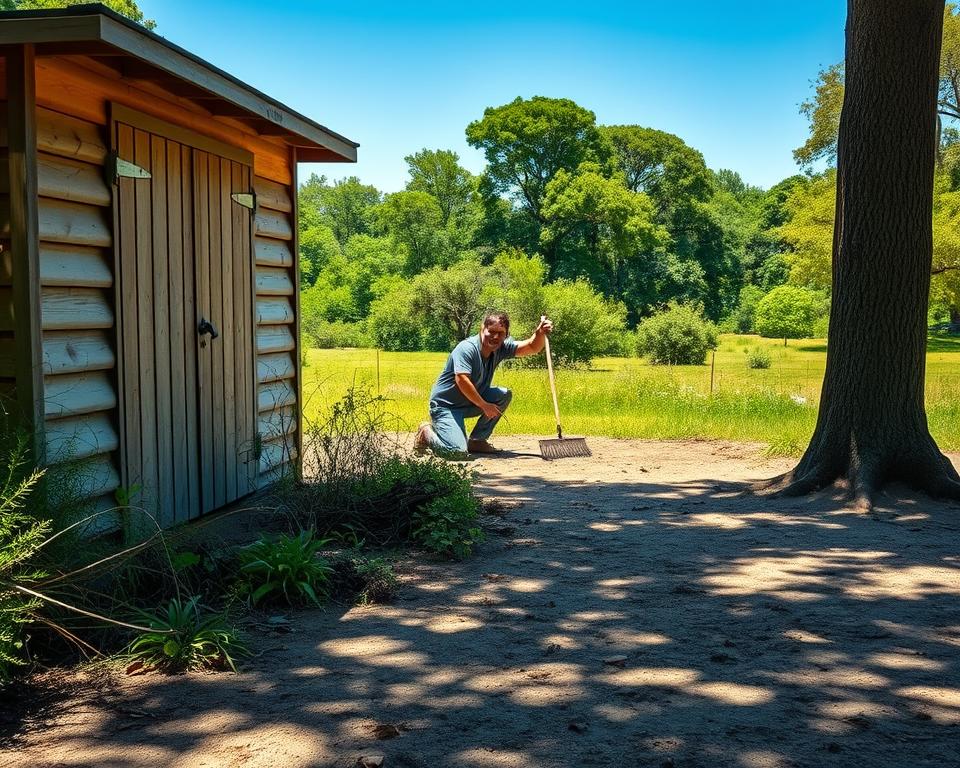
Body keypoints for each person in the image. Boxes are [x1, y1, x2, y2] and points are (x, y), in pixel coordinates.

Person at [414, 312, 554, 455]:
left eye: (500, 333)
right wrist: (484, 405)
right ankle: (425, 433)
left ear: (506, 334)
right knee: (456, 452)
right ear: (482, 329)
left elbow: (532, 347)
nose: (495, 337)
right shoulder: (467, 348)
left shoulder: (501, 348)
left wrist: (540, 333)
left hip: (469, 402)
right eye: (491, 331)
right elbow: (462, 380)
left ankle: (477, 441)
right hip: (445, 406)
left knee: (503, 395)